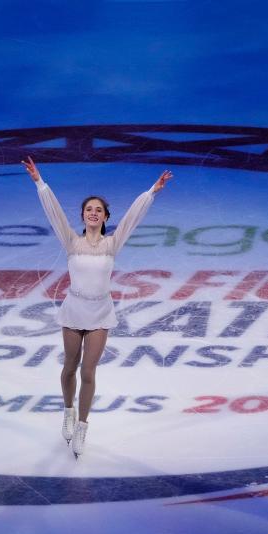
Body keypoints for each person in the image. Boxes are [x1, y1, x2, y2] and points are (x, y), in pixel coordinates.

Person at [21, 157, 173, 458]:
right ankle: (68, 410)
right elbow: (53, 214)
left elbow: (132, 217)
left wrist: (152, 191)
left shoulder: (112, 244)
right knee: (69, 368)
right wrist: (40, 182)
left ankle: (81, 426)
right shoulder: (71, 242)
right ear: (82, 216)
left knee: (88, 372)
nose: (93, 213)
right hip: (73, 311)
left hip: (100, 314)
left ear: (105, 217)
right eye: (89, 209)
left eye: (98, 210)